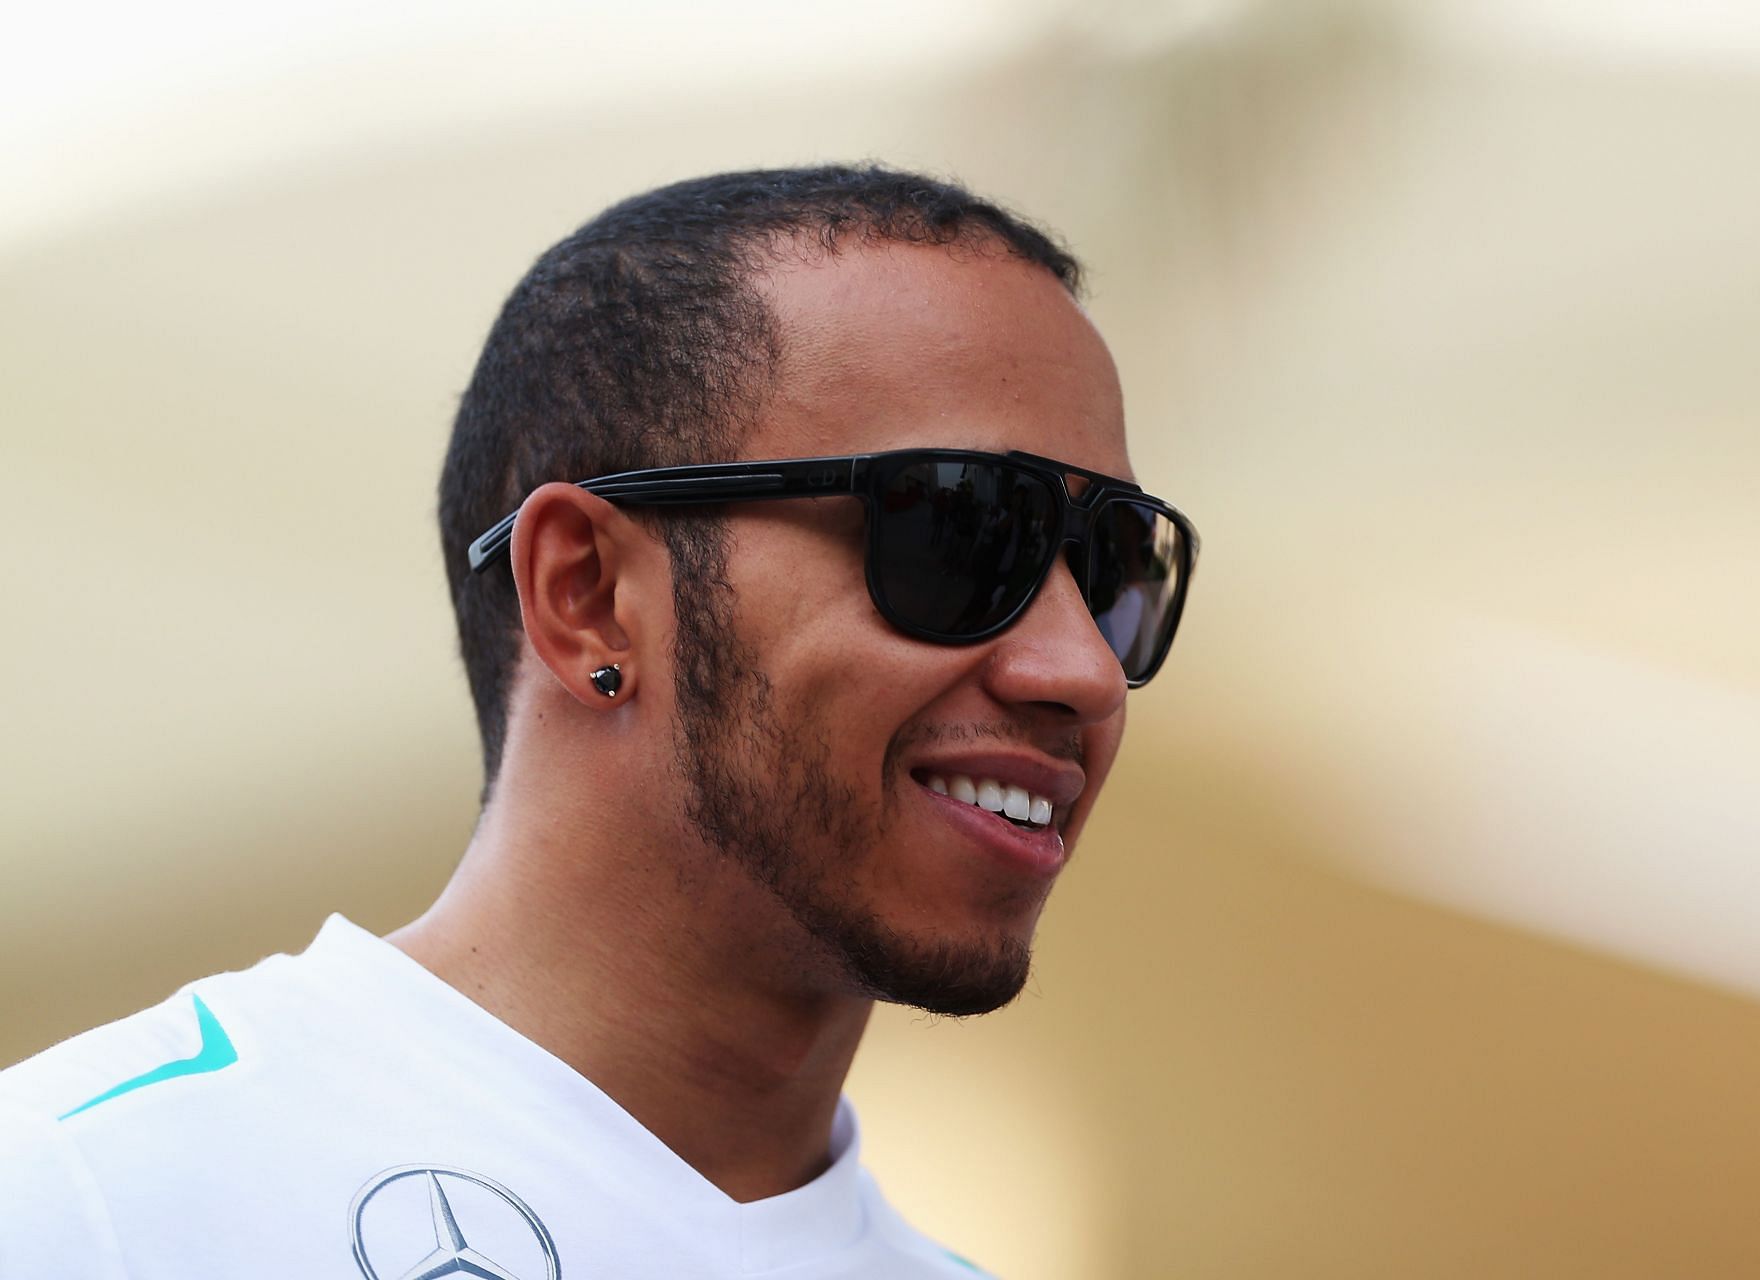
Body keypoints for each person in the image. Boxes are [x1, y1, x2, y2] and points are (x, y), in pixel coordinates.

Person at [0, 164, 1198, 1278]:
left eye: (1108, 569)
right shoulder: (86, 1201)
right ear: (586, 596)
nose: (1081, 669)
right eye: (960, 531)